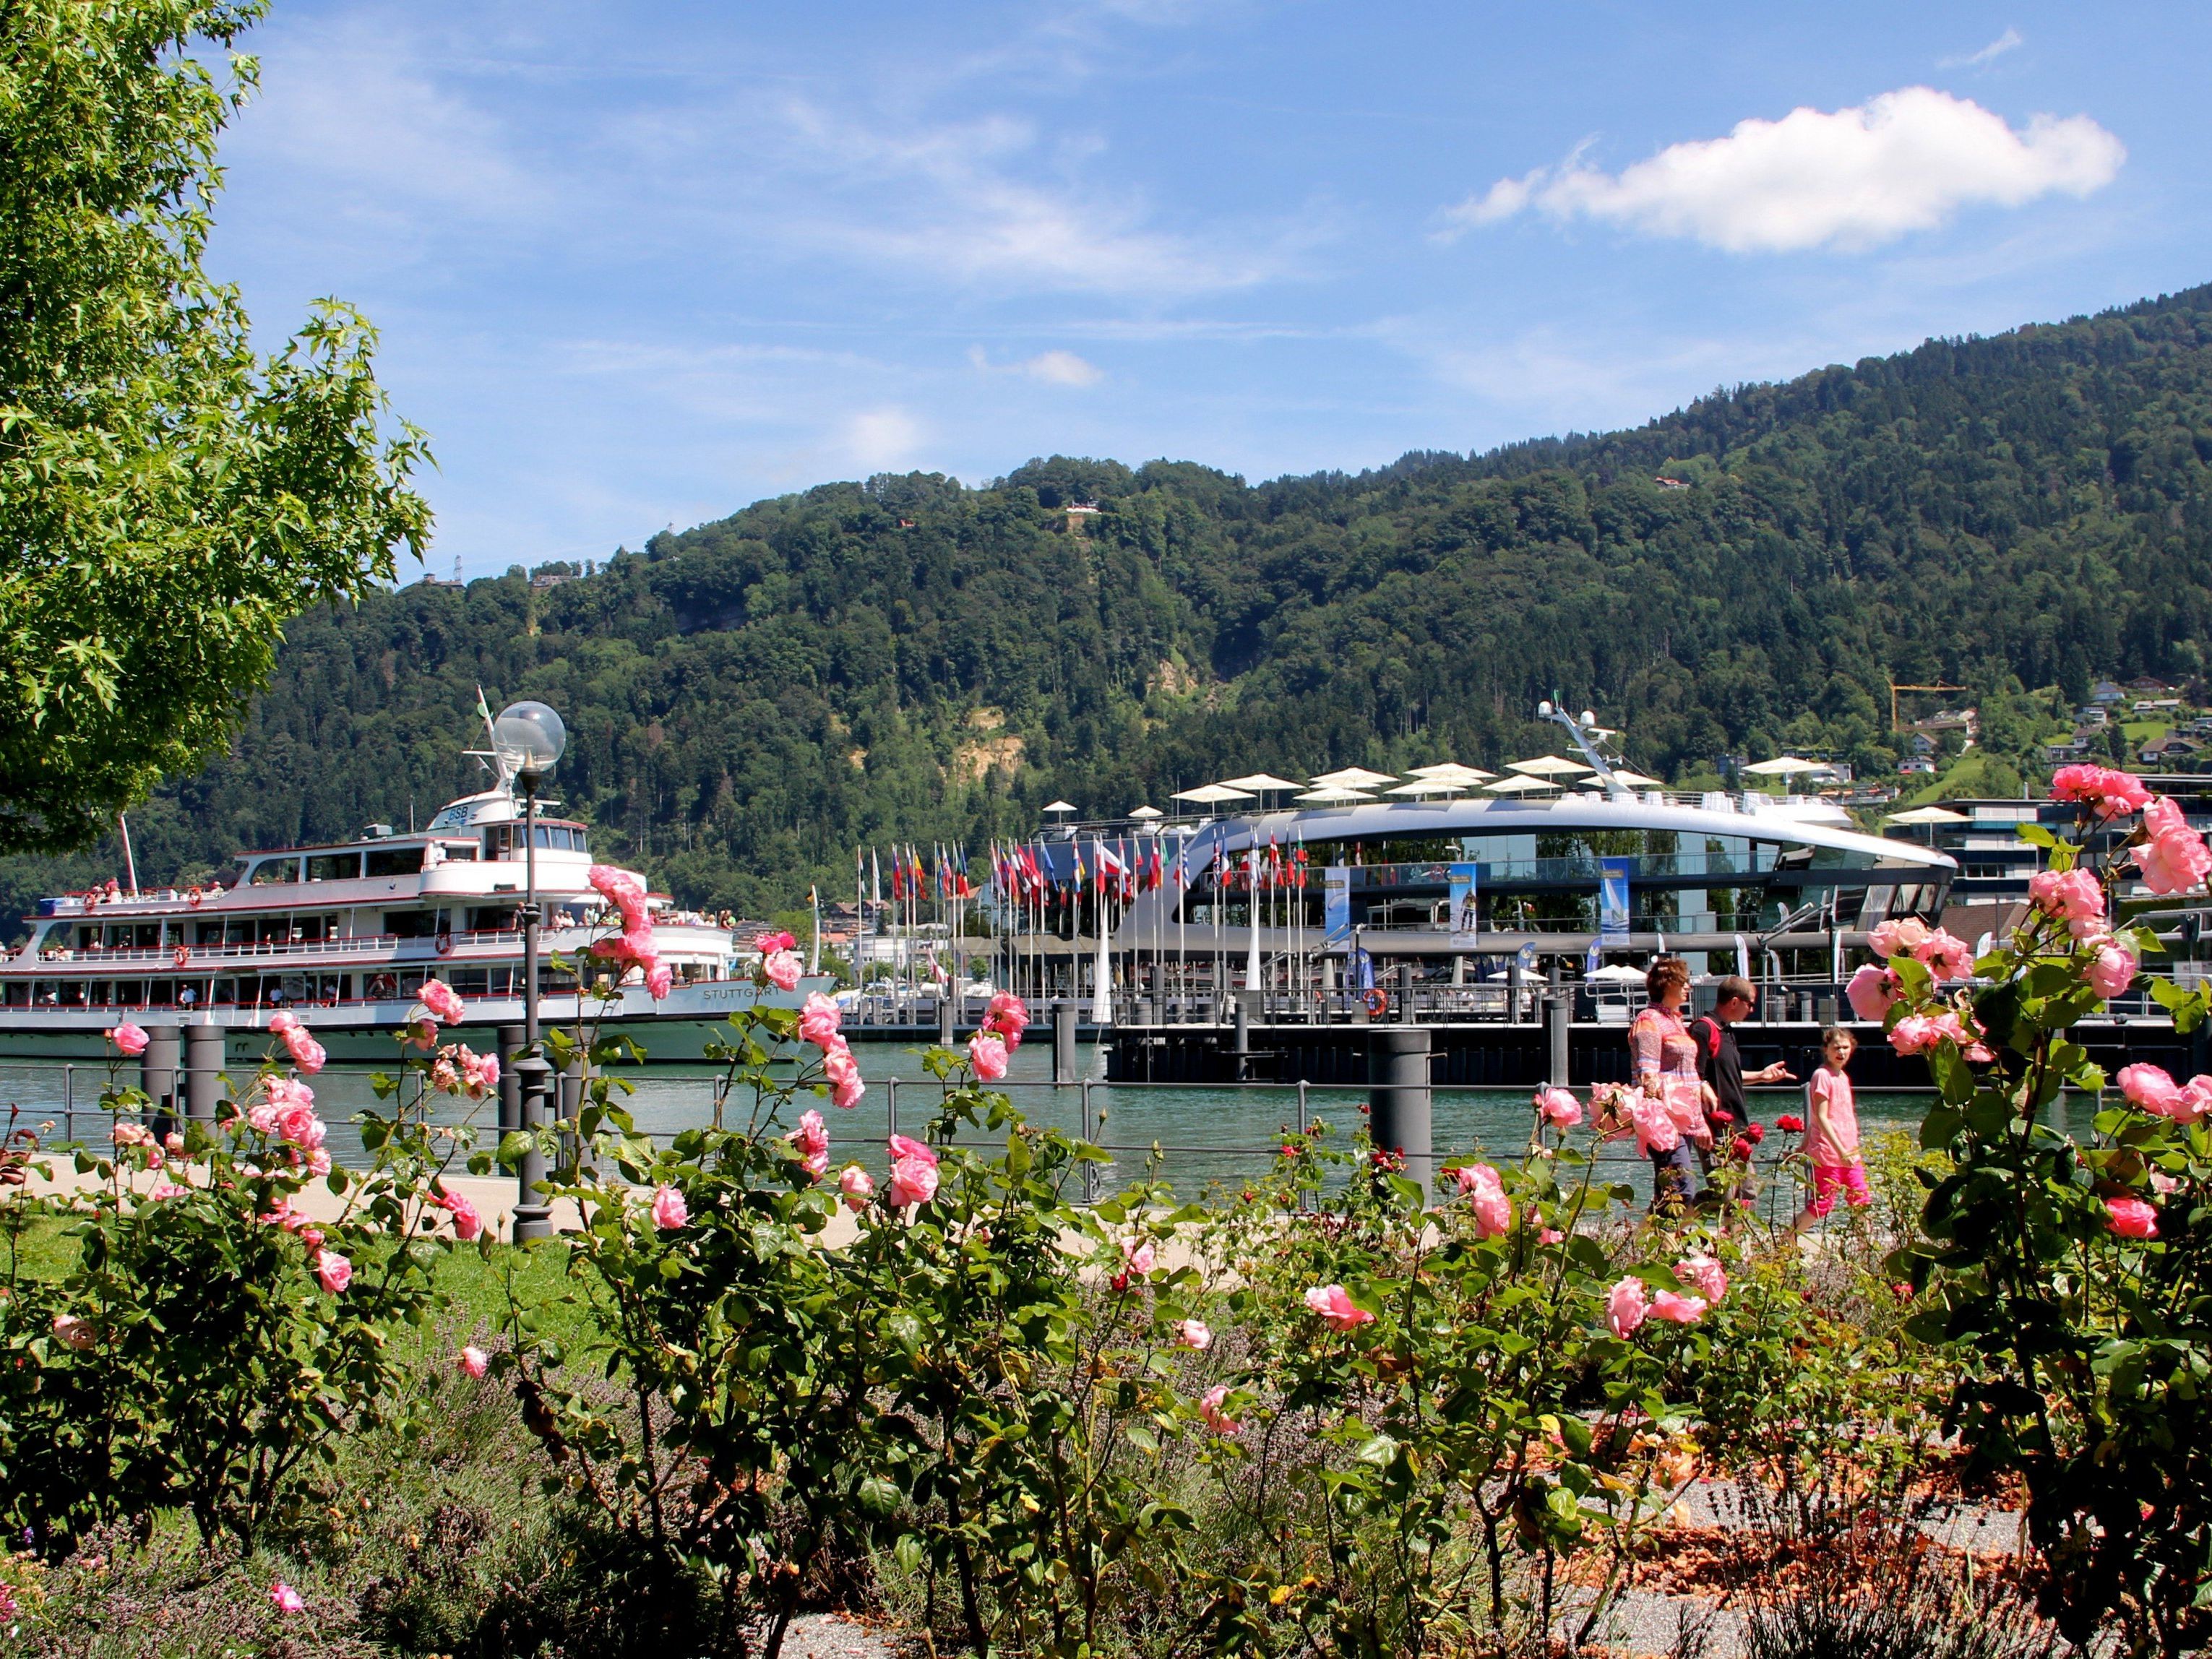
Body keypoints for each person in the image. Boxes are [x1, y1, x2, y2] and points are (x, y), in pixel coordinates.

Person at [1624, 957, 1715, 1210]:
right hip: (1664, 1121)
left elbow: (1689, 1078)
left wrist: (1699, 1123)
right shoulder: (1649, 1020)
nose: (1688, 987)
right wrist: (1659, 1121)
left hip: (1682, 1120)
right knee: (1680, 1186)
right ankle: (1660, 1242)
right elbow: (1648, 1076)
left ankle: (1649, 1244)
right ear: (1667, 984)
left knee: (1671, 1187)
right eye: (1683, 982)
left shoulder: (1676, 1021)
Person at [1690, 975, 1795, 1194]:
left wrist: (1761, 1076)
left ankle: (1684, 1215)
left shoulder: (1726, 1032)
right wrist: (1701, 1125)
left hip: (1737, 1128)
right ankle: (1676, 1215)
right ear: (1735, 1002)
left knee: (1748, 1193)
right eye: (1751, 1003)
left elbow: (1729, 1076)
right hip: (1715, 1130)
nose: (1752, 1010)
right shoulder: (1703, 1030)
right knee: (1724, 1196)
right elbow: (1692, 1078)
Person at [1794, 1027, 1870, 1231]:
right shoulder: (1822, 1075)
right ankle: (1788, 1239)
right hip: (1830, 1152)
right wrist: (1839, 1150)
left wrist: (1803, 1145)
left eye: (1846, 1047)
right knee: (1823, 1203)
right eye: (1837, 1048)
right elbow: (1820, 1116)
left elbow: (1815, 1120)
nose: (1842, 1052)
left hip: (1849, 1151)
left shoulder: (1843, 1076)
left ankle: (1868, 1247)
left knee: (1860, 1199)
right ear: (1826, 1049)